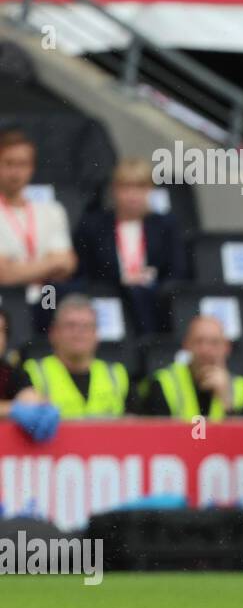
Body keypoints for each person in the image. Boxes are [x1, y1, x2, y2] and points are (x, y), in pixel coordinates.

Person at [73, 158, 188, 335]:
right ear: (114, 190)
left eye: (140, 187)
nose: (132, 195)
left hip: (152, 299)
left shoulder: (165, 225)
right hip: (108, 296)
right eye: (126, 187)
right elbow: (84, 271)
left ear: (150, 190)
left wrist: (151, 278)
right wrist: (121, 278)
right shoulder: (93, 226)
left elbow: (177, 271)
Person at [134, 315, 243, 420]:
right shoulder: (162, 384)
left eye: (214, 343)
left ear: (227, 348)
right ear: (186, 345)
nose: (205, 350)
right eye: (198, 341)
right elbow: (151, 437)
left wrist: (228, 405)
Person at [23, 295, 130, 419]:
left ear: (96, 334)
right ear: (53, 333)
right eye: (70, 325)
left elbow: (139, 422)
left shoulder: (117, 373)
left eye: (86, 326)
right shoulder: (32, 372)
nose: (78, 332)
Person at [0, 130, 77, 291]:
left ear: (32, 168)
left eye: (22, 164)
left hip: (45, 298)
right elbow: (2, 274)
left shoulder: (52, 210)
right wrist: (49, 264)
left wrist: (16, 268)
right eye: (9, 163)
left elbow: (67, 264)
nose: (15, 172)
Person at [0, 308, 58, 441]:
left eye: (0, 331)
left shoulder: (10, 372)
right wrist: (12, 409)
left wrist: (40, 408)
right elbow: (17, 408)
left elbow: (29, 397)